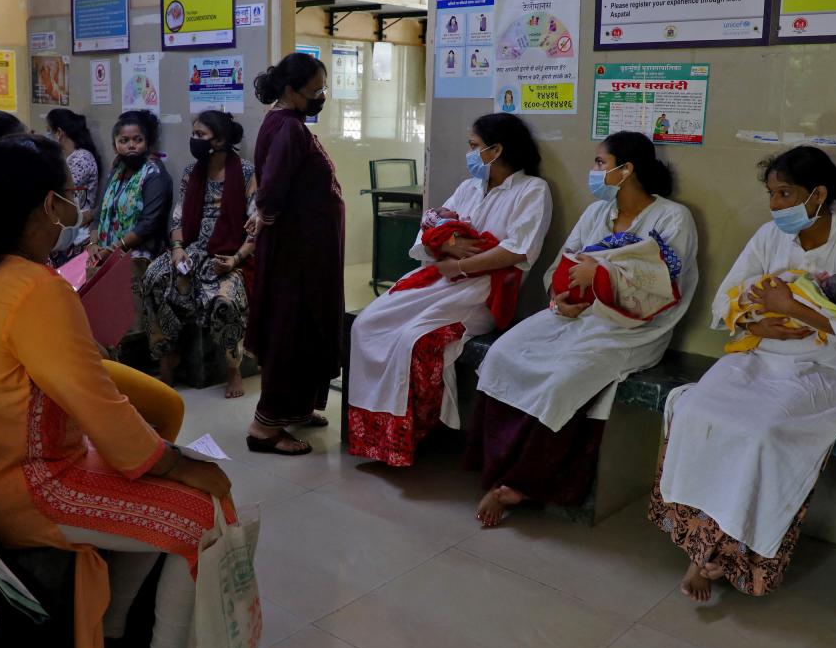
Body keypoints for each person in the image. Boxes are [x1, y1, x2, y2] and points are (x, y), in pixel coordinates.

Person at [0, 135, 232, 648]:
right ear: (45, 205)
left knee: (172, 486)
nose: (73, 209)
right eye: (66, 196)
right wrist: (177, 462)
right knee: (205, 517)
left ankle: (112, 638)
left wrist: (160, 457)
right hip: (30, 483)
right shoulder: (34, 288)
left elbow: (90, 397)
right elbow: (100, 406)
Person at [650, 146, 836, 602]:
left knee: (763, 431)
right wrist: (755, 323)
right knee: (696, 409)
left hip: (831, 366)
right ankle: (702, 545)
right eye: (772, 194)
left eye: (785, 194)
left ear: (818, 194)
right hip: (762, 355)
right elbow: (727, 299)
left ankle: (728, 555)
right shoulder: (768, 237)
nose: (775, 205)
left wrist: (794, 307)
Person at [467, 132, 699, 525]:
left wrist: (602, 273)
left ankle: (523, 482)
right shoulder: (596, 213)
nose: (593, 172)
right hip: (576, 315)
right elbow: (565, 262)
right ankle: (493, 463)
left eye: (599, 163)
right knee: (503, 355)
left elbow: (662, 284)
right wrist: (563, 298)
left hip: (631, 327)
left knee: (565, 378)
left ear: (627, 170)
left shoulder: (672, 217)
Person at [347, 114, 551, 466]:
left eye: (474, 146)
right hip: (439, 279)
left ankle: (411, 434)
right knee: (367, 323)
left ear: (496, 149)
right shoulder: (469, 187)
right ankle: (371, 431)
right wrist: (449, 243)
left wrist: (458, 264)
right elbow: (431, 226)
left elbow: (517, 250)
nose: (469, 154)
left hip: (482, 291)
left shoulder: (532, 190)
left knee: (413, 338)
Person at [245, 53, 345, 455]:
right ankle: (265, 428)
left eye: (324, 88)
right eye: (315, 90)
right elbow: (270, 190)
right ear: (290, 91)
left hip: (308, 251)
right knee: (292, 331)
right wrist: (263, 219)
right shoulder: (288, 128)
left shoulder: (286, 122)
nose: (321, 96)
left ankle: (298, 408)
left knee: (310, 328)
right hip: (296, 256)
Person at [142, 111, 256, 398]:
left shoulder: (244, 171)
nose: (194, 140)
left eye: (200, 135)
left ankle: (233, 369)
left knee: (225, 301)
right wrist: (178, 249)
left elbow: (256, 227)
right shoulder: (192, 172)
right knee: (153, 277)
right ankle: (166, 356)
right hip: (192, 250)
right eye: (194, 134)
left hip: (229, 256)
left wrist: (235, 259)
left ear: (220, 140)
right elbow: (178, 219)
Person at [90, 111, 171, 328]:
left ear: (147, 143)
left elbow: (148, 224)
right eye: (124, 141)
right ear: (115, 145)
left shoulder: (154, 173)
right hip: (108, 249)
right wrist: (93, 244)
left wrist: (114, 248)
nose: (131, 145)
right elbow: (100, 214)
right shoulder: (117, 171)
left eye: (138, 140)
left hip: (141, 252)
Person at [722, 268, 836, 353]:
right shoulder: (767, 234)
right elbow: (720, 305)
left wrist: (790, 307)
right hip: (759, 343)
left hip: (819, 360)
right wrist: (753, 328)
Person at [46, 108, 100, 264]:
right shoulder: (66, 157)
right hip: (66, 228)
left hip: (78, 233)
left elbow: (56, 189)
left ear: (59, 133)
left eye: (49, 131)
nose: (47, 135)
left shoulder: (81, 158)